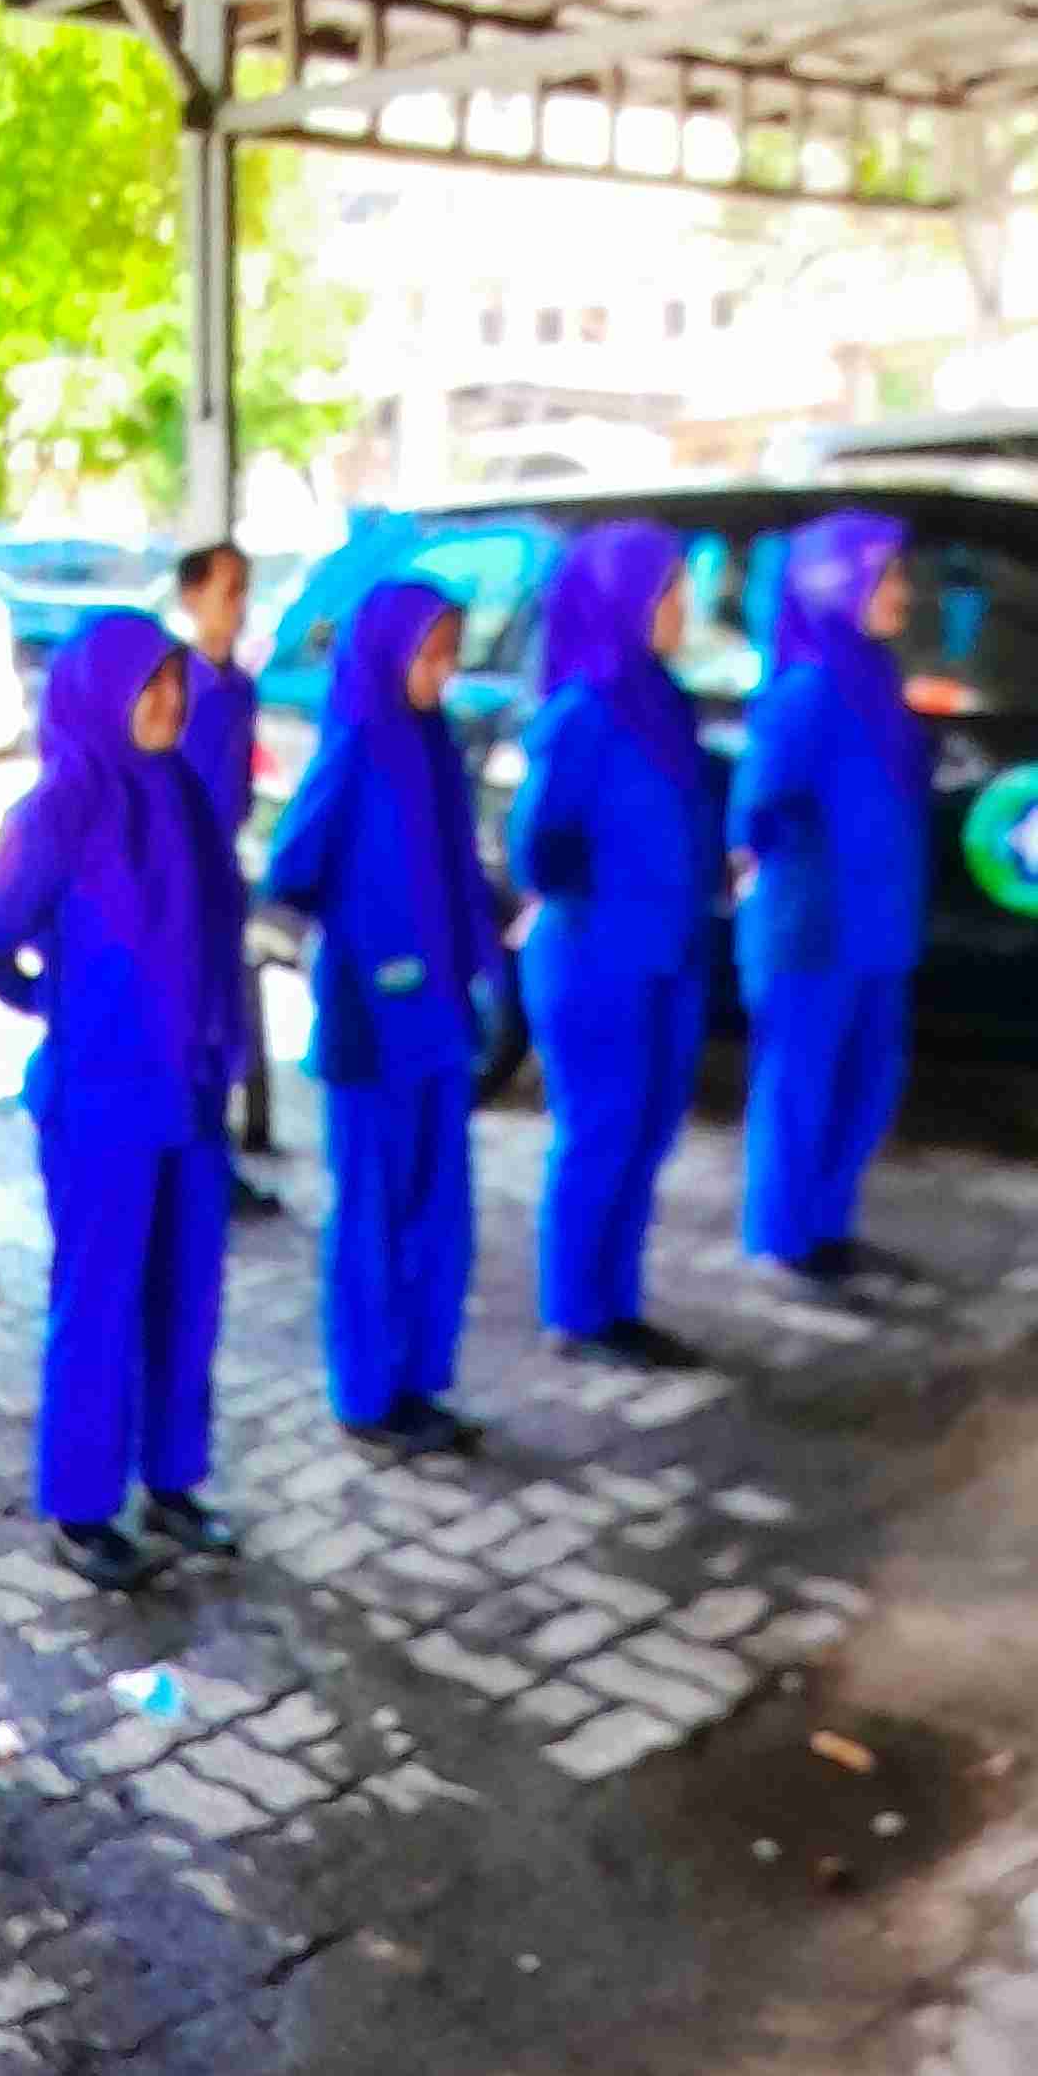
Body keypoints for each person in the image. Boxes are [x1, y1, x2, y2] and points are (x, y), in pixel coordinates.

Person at [0, 607, 247, 1593]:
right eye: (146, 684)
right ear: (102, 693)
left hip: (189, 1097)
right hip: (102, 1105)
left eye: (174, 680)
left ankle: (172, 1481)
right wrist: (55, 1002)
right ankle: (82, 1505)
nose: (167, 700)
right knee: (101, 1304)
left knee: (186, 1299)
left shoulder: (185, 793)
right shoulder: (62, 804)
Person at [263, 573, 499, 1452]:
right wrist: (361, 941)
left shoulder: (435, 745)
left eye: (450, 655)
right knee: (372, 1211)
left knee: (438, 1209)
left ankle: (418, 1380)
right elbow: (292, 869)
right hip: (371, 1024)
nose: (443, 673)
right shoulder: (357, 745)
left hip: (439, 1019)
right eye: (429, 655)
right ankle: (367, 1394)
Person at [506, 520, 723, 1370]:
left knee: (647, 1127)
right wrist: (609, 901)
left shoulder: (663, 702)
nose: (682, 608)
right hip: (598, 956)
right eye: (667, 592)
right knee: (602, 1129)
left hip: (666, 950)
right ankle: (576, 1311)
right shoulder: (584, 714)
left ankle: (616, 1302)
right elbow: (537, 845)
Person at [730, 510, 931, 1285]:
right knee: (802, 1087)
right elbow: (757, 814)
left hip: (877, 923)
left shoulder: (876, 682)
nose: (903, 593)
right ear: (837, 586)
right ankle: (787, 1234)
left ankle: (828, 1222)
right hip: (816, 928)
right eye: (887, 577)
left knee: (864, 1082)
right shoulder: (807, 693)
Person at [176, 536, 285, 1219]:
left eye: (245, 591)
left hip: (222, 869)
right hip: (177, 877)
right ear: (192, 598)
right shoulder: (173, 686)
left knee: (223, 1019)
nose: (239, 606)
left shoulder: (240, 687)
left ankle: (219, 1161)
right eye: (228, 592)